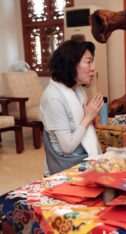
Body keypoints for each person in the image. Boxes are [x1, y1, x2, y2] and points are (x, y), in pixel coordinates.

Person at [40, 39, 103, 175]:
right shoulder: (54, 98)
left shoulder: (76, 88)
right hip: (66, 167)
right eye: (88, 62)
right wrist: (87, 117)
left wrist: (91, 118)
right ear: (71, 64)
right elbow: (67, 147)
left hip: (82, 159)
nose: (93, 68)